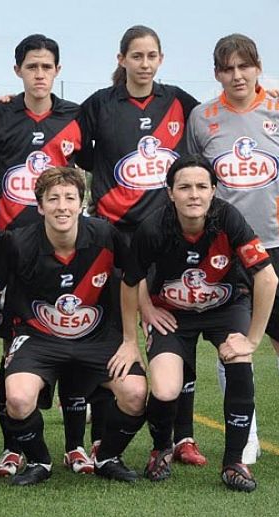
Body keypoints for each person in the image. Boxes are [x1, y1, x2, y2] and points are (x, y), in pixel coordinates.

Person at [188, 33, 279, 465]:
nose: (237, 75)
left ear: (257, 67)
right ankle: (246, 435)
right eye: (227, 68)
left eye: (244, 66)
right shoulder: (202, 118)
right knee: (234, 345)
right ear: (217, 74)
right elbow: (193, 177)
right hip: (227, 253)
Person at [76, 25, 207, 467]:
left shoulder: (179, 102)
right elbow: (70, 144)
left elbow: (217, 121)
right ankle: (100, 436)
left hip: (166, 237)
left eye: (152, 55)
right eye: (137, 56)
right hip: (114, 233)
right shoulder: (99, 104)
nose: (145, 63)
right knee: (112, 333)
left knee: (175, 331)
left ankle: (182, 436)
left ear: (161, 59)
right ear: (122, 60)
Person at [125, 154, 278, 491]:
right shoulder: (153, 227)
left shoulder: (230, 219)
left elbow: (268, 279)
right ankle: (162, 447)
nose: (193, 194)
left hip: (225, 305)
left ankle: (233, 461)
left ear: (213, 191)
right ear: (170, 193)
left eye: (200, 186)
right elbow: (130, 278)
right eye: (184, 187)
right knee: (165, 389)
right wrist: (144, 312)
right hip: (172, 311)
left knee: (239, 358)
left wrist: (252, 340)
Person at [0, 33, 89, 476]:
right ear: (17, 70)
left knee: (74, 332)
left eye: (47, 67)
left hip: (66, 247)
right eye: (31, 67)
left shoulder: (76, 116)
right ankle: (15, 445)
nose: (39, 74)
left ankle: (76, 443)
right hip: (14, 246)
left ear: (57, 71)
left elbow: (91, 160)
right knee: (13, 348)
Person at [0, 166, 147, 486]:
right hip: (39, 337)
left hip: (97, 336)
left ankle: (107, 456)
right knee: (19, 399)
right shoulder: (18, 243)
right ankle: (39, 460)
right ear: (40, 206)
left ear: (81, 203)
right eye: (53, 199)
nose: (62, 206)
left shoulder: (106, 235)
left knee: (136, 394)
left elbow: (133, 279)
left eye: (69, 198)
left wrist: (131, 339)